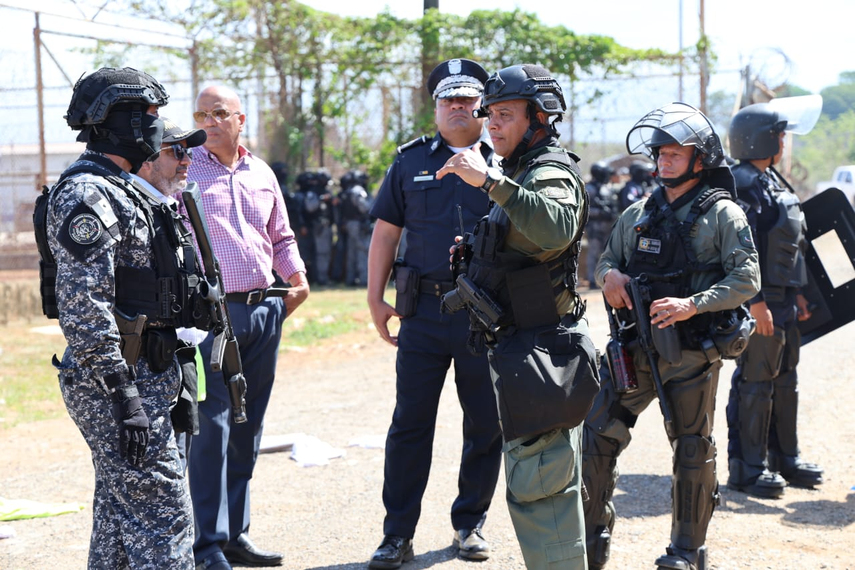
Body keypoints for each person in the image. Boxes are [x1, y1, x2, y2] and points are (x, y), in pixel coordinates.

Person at [34, 67, 202, 569]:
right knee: (164, 518)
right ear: (115, 123)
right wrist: (123, 393)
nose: (157, 126)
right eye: (147, 116)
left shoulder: (125, 189)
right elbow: (83, 304)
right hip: (114, 381)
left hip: (145, 373)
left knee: (118, 518)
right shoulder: (88, 194)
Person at [582, 102, 760, 570]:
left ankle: (686, 551)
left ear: (700, 159)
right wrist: (610, 278)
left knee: (691, 450)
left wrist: (691, 305)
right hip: (633, 350)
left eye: (674, 153)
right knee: (597, 434)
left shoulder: (723, 214)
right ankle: (590, 541)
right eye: (659, 153)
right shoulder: (639, 211)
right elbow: (606, 260)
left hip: (688, 353)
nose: (662, 161)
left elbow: (747, 281)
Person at [436, 63, 598, 570]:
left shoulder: (546, 171)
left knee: (541, 487)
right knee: (537, 482)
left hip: (543, 353)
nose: (493, 125)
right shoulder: (523, 171)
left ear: (540, 117)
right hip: (523, 352)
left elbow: (553, 227)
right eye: (491, 116)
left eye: (505, 115)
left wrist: (490, 184)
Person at [366, 58, 502, 569]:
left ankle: (470, 524)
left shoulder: (503, 166)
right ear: (436, 106)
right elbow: (385, 232)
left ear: (483, 107)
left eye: (468, 100)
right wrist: (375, 298)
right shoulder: (409, 163)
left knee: (484, 422)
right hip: (421, 311)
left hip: (484, 316)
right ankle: (396, 533)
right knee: (410, 424)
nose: (458, 108)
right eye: (449, 100)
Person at [182, 84, 310, 570]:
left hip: (265, 311)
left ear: (241, 120)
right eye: (201, 114)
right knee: (212, 425)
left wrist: (297, 282)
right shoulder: (185, 169)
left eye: (218, 113)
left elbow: (281, 235)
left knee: (248, 423)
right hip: (213, 316)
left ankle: (237, 533)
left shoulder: (261, 172)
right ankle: (207, 544)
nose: (209, 122)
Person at [725, 102, 823, 498]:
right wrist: (756, 301)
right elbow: (740, 249)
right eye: (779, 135)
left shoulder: (770, 179)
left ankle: (785, 458)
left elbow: (788, 243)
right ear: (762, 139)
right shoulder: (742, 183)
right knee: (755, 383)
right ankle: (747, 468)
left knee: (785, 380)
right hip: (759, 303)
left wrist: (797, 293)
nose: (783, 142)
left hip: (782, 301)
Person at [132, 117, 209, 469]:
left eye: (188, 151)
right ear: (147, 157)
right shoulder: (134, 210)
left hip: (176, 361)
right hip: (146, 372)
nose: (187, 160)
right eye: (177, 150)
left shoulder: (166, 208)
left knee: (178, 474)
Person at [586, 161, 620, 289]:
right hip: (595, 228)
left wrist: (612, 214)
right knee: (593, 253)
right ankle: (592, 280)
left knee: (608, 254)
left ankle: (606, 278)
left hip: (608, 227)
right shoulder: (590, 189)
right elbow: (584, 209)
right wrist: (600, 213)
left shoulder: (607, 187)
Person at [338, 169, 372, 286]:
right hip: (358, 224)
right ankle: (363, 279)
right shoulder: (358, 191)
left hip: (348, 224)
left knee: (351, 252)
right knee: (362, 250)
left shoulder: (346, 191)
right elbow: (365, 208)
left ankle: (350, 279)